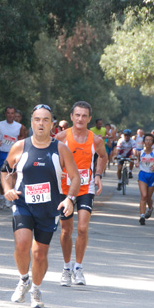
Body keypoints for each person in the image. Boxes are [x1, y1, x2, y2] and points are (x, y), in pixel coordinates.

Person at [1, 104, 79, 308]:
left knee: (40, 254)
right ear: (31, 122)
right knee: (22, 243)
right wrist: (7, 188)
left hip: (49, 208)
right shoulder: (20, 146)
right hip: (22, 203)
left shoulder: (60, 149)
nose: (41, 123)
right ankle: (23, 279)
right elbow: (4, 170)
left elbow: (75, 177)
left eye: (46, 120)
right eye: (37, 119)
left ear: (52, 124)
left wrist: (69, 199)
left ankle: (36, 288)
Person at [55, 101, 107, 287]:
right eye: (77, 115)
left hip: (86, 188)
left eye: (84, 116)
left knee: (83, 228)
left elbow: (103, 156)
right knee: (66, 230)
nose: (80, 119)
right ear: (71, 117)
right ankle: (66, 267)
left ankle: (78, 268)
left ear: (89, 118)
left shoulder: (96, 140)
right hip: (65, 189)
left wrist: (98, 175)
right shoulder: (61, 137)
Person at [0, 106, 27, 209]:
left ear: (14, 115)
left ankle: (10, 197)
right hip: (2, 153)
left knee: (14, 175)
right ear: (6, 114)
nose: (10, 115)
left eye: (12, 113)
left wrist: (19, 143)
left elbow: (24, 137)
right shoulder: (0, 125)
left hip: (14, 154)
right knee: (2, 176)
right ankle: (2, 196)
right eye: (8, 113)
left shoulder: (20, 126)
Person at [134, 133, 154, 225]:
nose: (148, 142)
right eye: (146, 140)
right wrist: (137, 163)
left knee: (148, 197)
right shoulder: (140, 152)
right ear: (143, 141)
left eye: (150, 140)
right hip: (143, 175)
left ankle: (150, 208)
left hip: (152, 176)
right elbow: (138, 161)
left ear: (153, 142)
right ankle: (142, 216)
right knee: (144, 195)